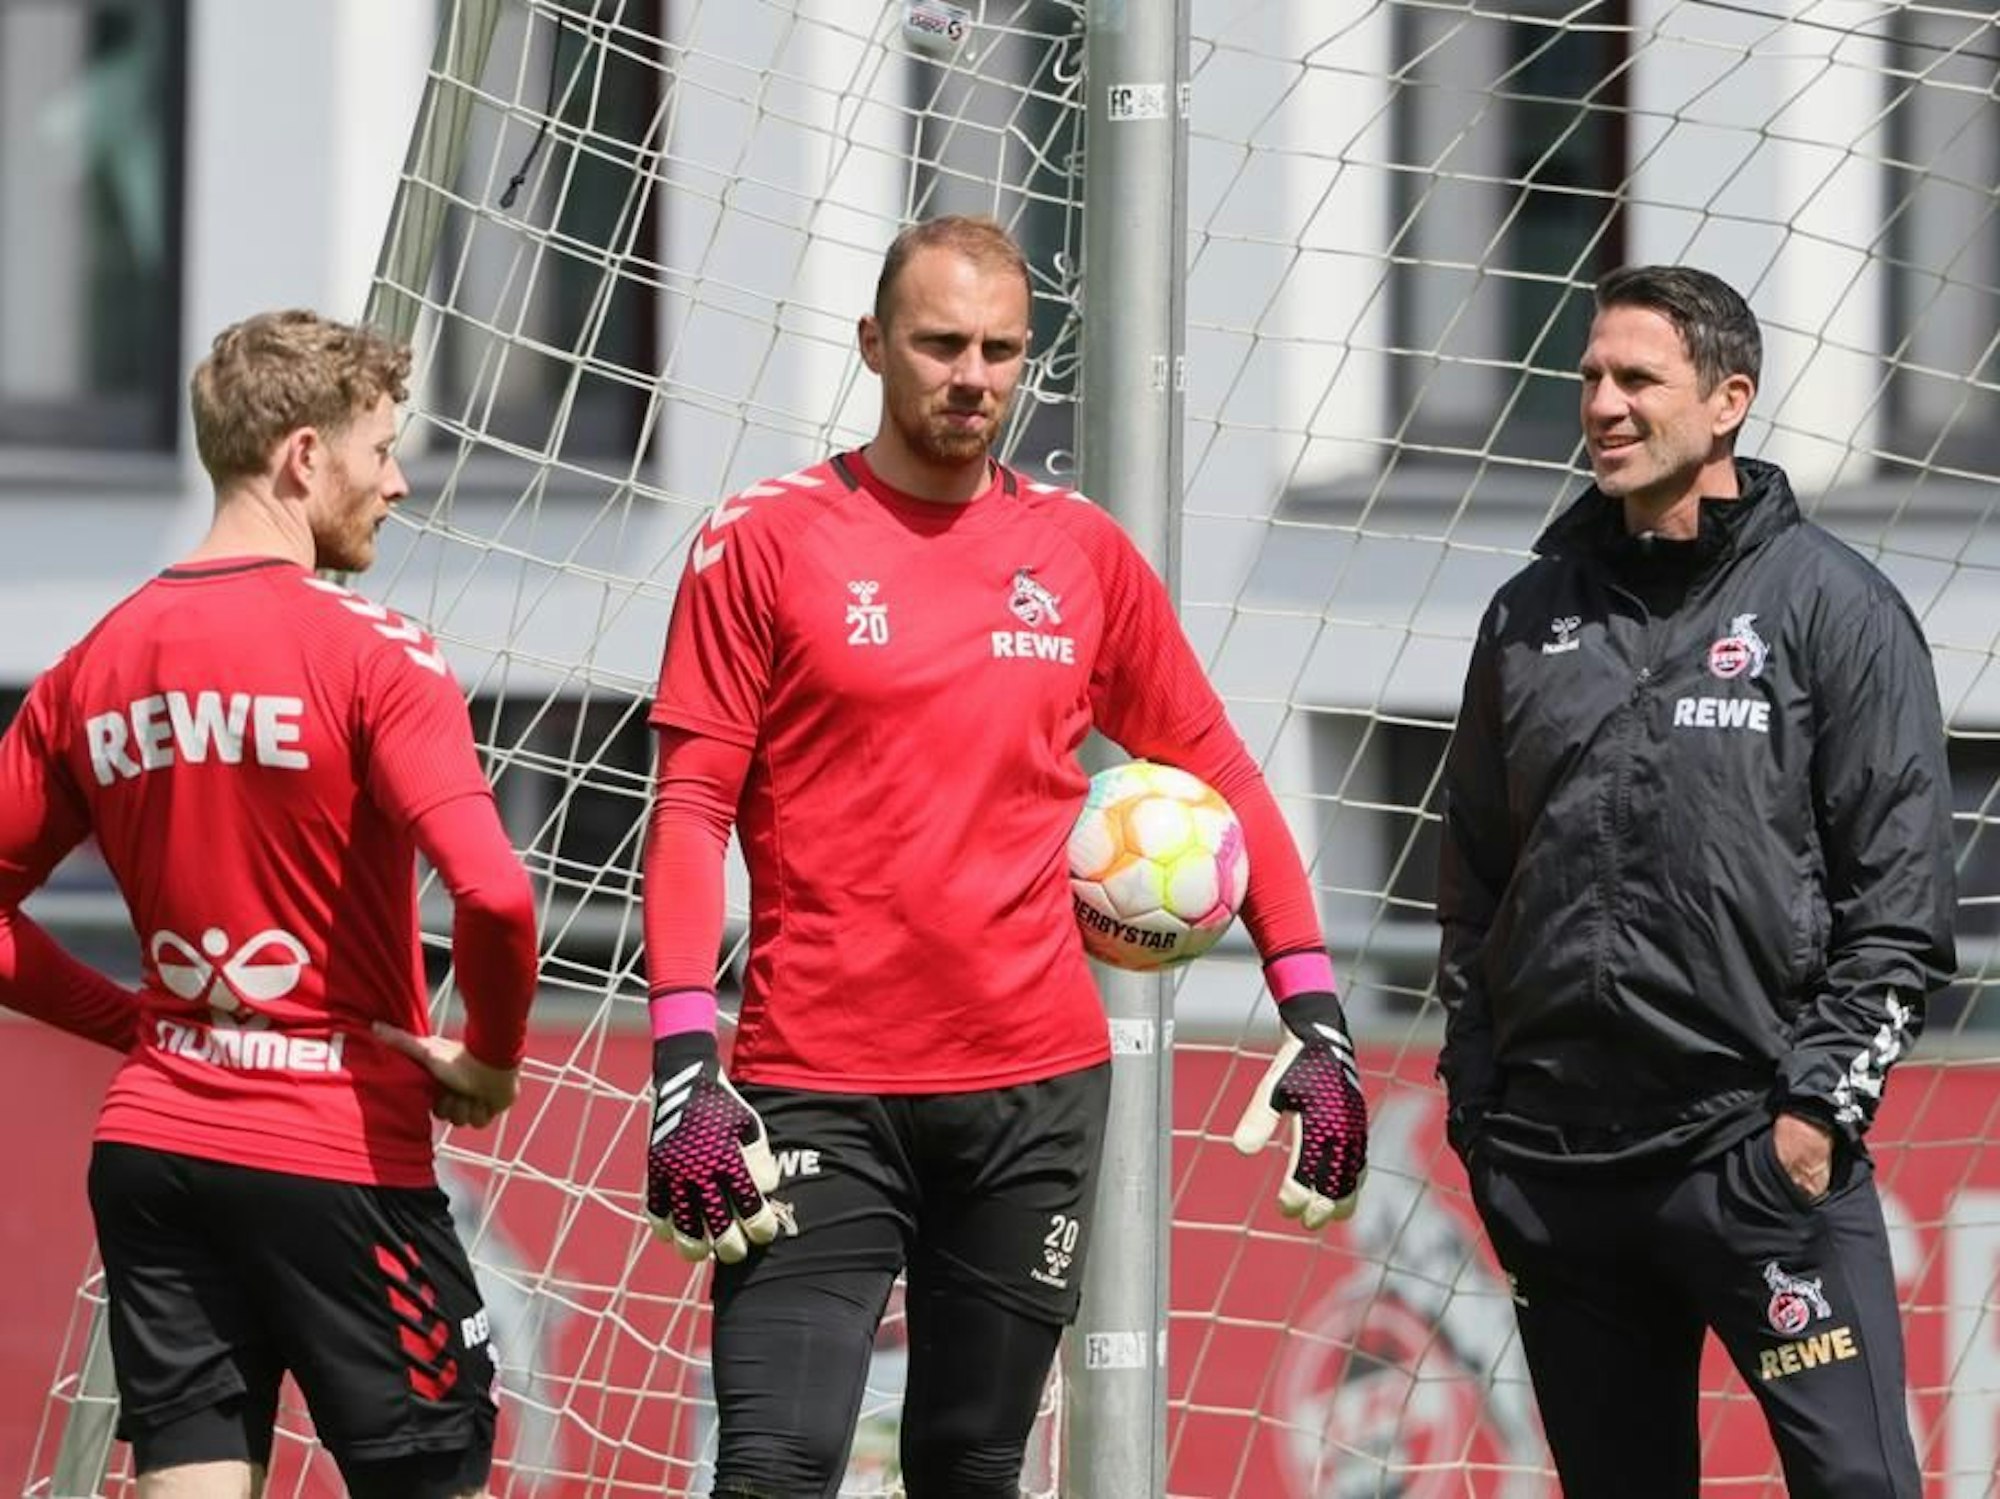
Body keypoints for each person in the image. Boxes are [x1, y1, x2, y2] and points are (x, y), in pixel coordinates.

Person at [640, 213, 1369, 1497]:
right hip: (816, 1086)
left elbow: (1228, 779)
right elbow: (692, 807)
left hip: (1030, 1093)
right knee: (773, 1461)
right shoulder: (761, 538)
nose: (971, 376)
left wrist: (1316, 1018)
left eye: (999, 349)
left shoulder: (1079, 551)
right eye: (939, 344)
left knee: (969, 1465)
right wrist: (682, 1062)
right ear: (873, 344)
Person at [0, 310, 540, 1499]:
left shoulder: (95, 660)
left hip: (154, 1146)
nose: (399, 482)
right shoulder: (377, 652)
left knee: (192, 1473)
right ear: (304, 456)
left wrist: (129, 1021)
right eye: (382, 449)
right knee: (432, 1472)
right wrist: (492, 1056)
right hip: (338, 1148)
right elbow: (497, 895)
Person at [1436, 265, 1956, 1498]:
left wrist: (1809, 1120)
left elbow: (1898, 907)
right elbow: (1468, 882)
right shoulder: (1523, 613)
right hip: (1557, 1172)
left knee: (1860, 1487)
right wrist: (1477, 1109)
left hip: (1751, 1158)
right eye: (1587, 378)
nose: (1602, 406)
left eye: (1635, 379)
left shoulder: (1836, 609)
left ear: (1727, 400)